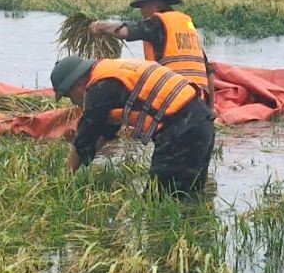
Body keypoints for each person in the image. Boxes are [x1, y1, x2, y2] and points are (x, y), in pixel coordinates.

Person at [50, 56, 216, 195]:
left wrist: (65, 179)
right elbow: (106, 130)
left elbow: (85, 138)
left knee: (157, 201)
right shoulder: (112, 73)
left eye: (68, 95)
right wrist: (89, 155)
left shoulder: (99, 88)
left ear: (78, 84)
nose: (72, 102)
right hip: (202, 124)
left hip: (180, 133)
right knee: (190, 197)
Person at [89, 0, 213, 105]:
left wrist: (100, 26)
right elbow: (209, 73)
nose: (141, 12)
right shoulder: (186, 26)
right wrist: (211, 109)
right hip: (200, 101)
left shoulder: (158, 23)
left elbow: (125, 31)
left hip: (174, 99)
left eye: (142, 6)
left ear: (156, 3)